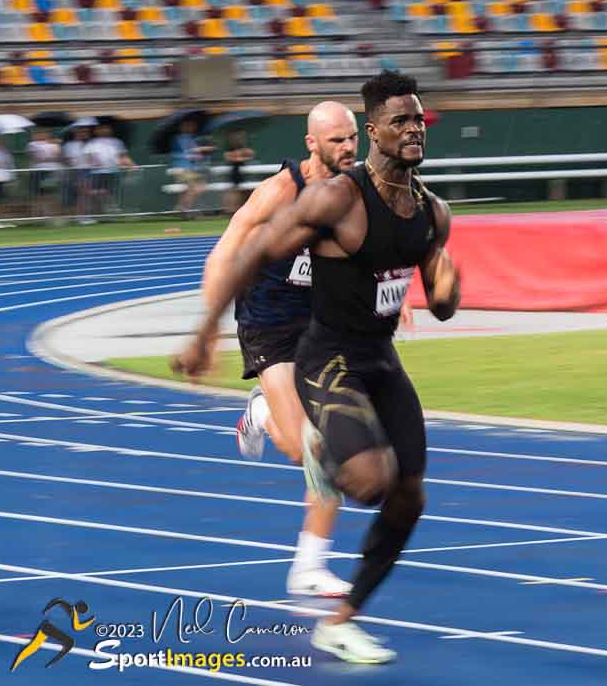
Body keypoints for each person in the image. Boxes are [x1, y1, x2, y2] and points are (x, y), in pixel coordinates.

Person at [177, 71, 460, 665]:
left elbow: (438, 299)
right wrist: (205, 332)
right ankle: (273, 421)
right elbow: (247, 247)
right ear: (376, 129)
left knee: (410, 497)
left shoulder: (432, 211)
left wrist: (442, 285)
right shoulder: (328, 197)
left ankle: (341, 617)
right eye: (400, 121)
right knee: (360, 476)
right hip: (315, 349)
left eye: (419, 120)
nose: (413, 130)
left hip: (377, 358)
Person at [177, 101, 360, 598]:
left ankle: (309, 565)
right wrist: (207, 331)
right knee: (304, 447)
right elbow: (225, 250)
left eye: (353, 137)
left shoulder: (354, 189)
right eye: (337, 139)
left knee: (332, 449)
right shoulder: (280, 191)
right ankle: (260, 410)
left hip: (321, 324)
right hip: (269, 326)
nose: (348, 147)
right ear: (311, 144)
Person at [170, 118, 211, 215]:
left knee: (196, 187)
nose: (190, 127)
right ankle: (182, 209)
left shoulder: (193, 138)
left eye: (192, 125)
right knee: (196, 187)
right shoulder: (179, 139)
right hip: (182, 169)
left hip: (192, 169)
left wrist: (198, 154)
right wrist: (197, 152)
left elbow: (196, 154)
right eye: (187, 125)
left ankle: (181, 208)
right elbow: (187, 153)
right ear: (182, 127)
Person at [223, 130, 256, 214]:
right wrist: (239, 156)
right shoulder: (229, 148)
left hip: (243, 173)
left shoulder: (244, 147)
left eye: (242, 136)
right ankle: (231, 210)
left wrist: (242, 154)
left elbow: (251, 154)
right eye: (238, 136)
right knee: (234, 191)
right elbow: (229, 157)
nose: (240, 138)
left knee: (242, 192)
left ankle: (238, 209)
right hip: (234, 172)